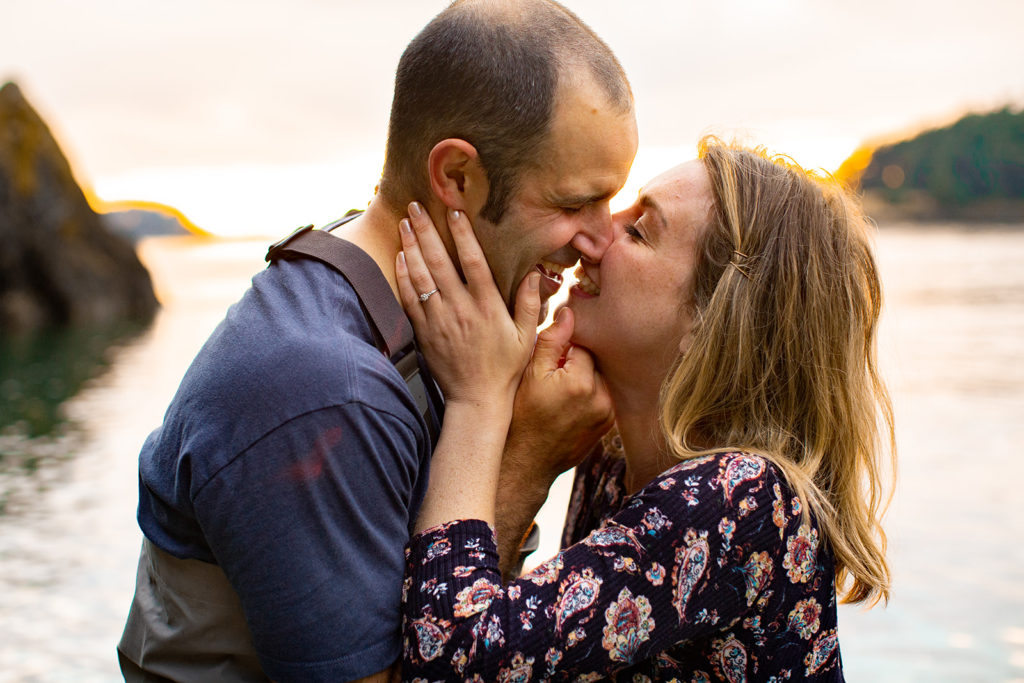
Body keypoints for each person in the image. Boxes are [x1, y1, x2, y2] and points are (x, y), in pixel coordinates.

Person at [116, 1, 637, 680]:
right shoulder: (326, 392)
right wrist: (525, 457)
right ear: (455, 178)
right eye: (572, 204)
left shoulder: (398, 291)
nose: (601, 241)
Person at [396, 138, 896, 680]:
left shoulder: (741, 496)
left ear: (710, 318)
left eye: (637, 231)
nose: (594, 237)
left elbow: (449, 661)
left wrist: (478, 400)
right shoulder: (612, 460)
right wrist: (529, 453)